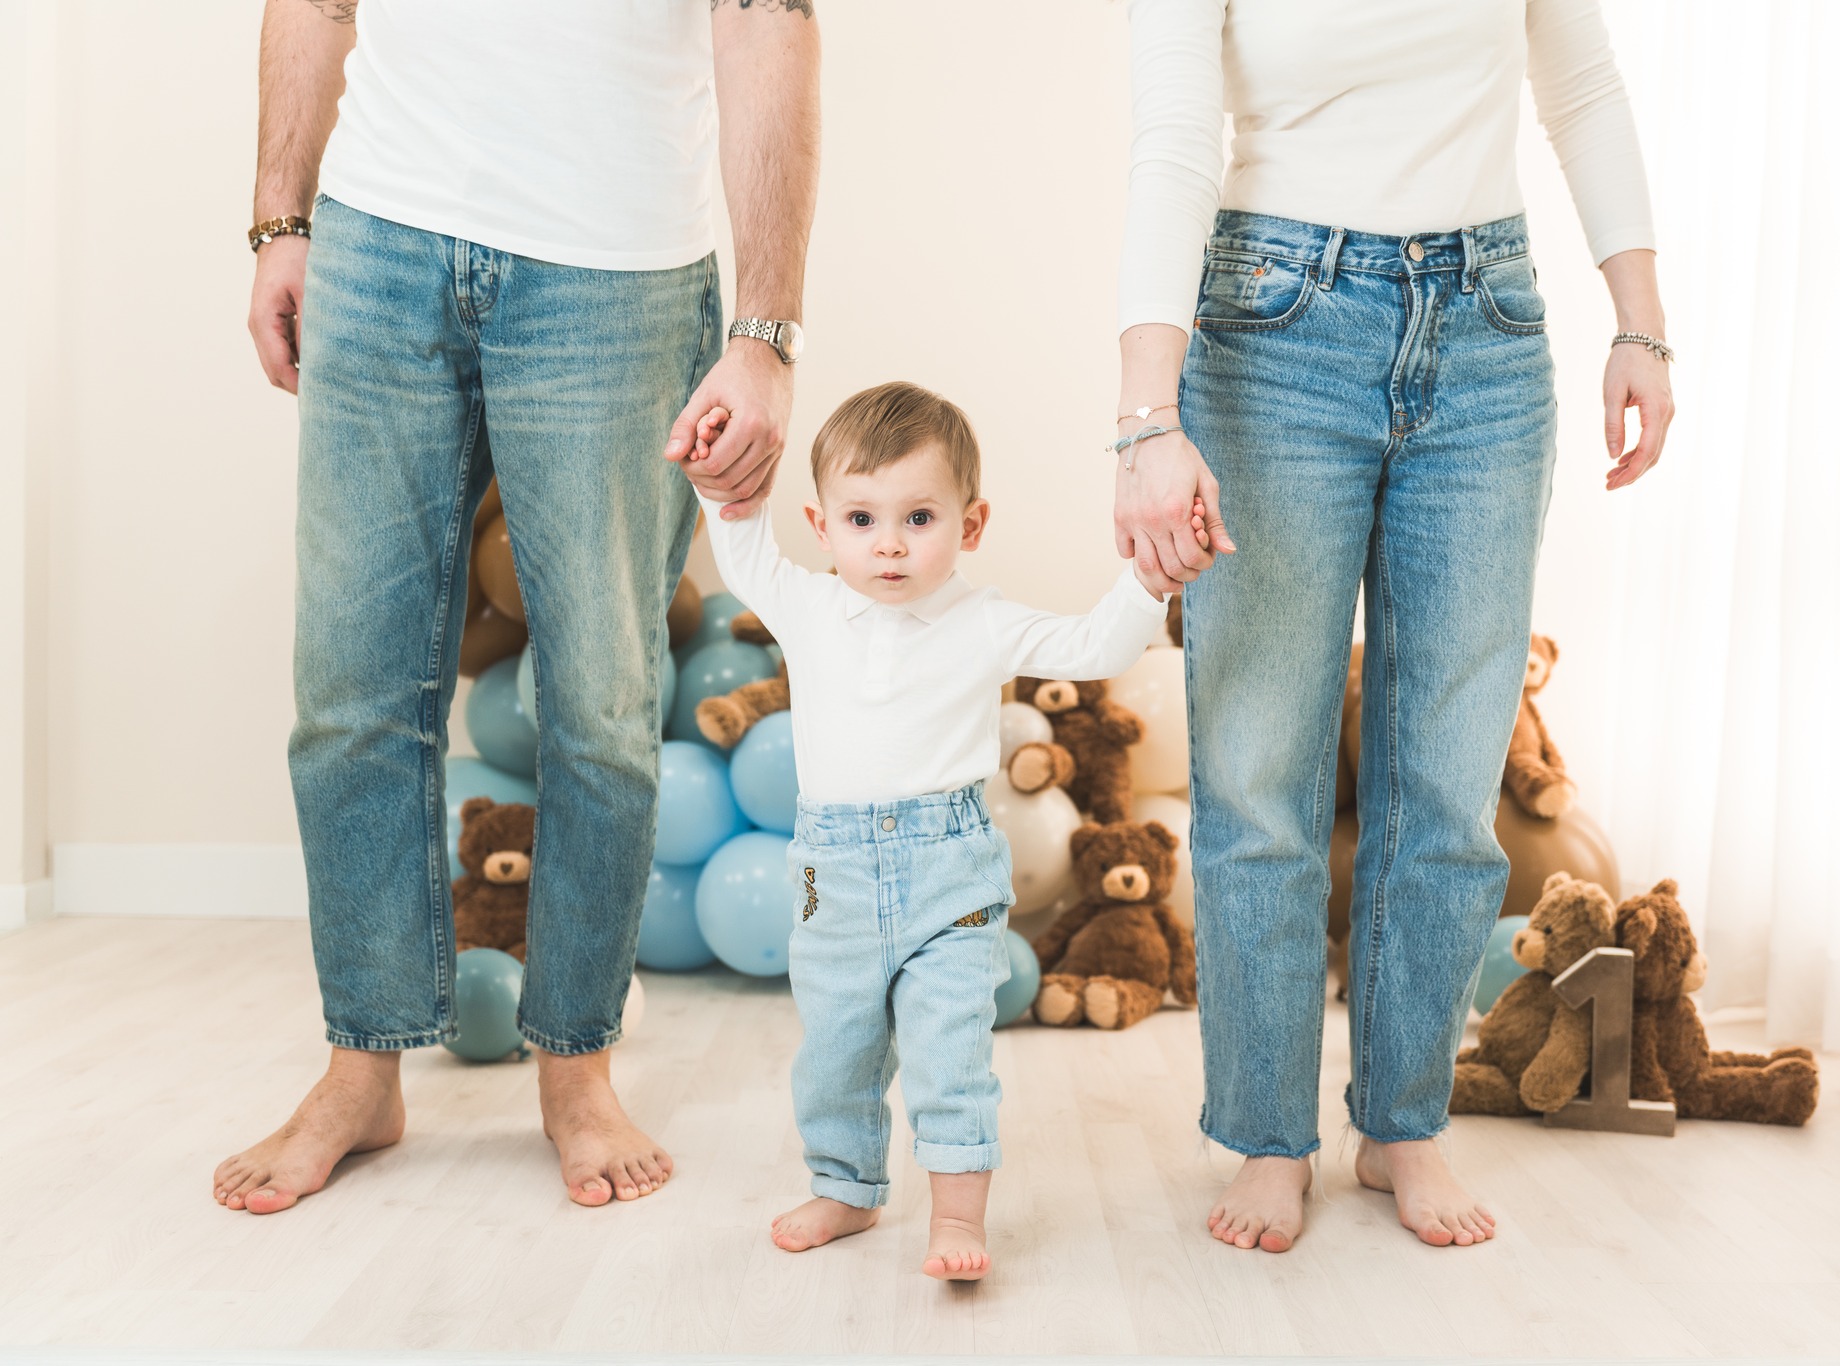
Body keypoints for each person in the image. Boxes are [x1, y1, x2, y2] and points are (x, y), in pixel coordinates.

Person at [213, 0, 820, 1216]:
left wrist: (762, 329)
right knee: (350, 695)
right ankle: (361, 1066)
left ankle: (577, 1069)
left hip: (618, 273)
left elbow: (767, 25)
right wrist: (282, 218)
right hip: (377, 242)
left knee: (598, 699)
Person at [1112, 0, 1675, 1250]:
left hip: (1486, 325)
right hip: (1271, 334)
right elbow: (1170, 134)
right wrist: (1146, 418)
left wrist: (1638, 322)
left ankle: (1402, 1121)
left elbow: (1578, 88)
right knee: (1258, 770)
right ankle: (1267, 1137)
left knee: (1449, 772)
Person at [673, 382, 1174, 1279]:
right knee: (836, 1049)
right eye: (862, 518)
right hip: (835, 870)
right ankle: (845, 1187)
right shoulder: (809, 606)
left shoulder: (983, 620)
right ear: (822, 528)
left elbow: (1096, 649)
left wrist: (1147, 581)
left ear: (971, 524)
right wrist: (723, 477)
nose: (891, 543)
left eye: (919, 516)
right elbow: (744, 551)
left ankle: (956, 1217)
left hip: (951, 868)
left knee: (952, 1049)